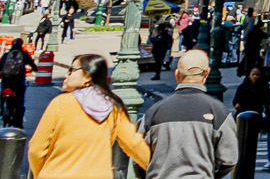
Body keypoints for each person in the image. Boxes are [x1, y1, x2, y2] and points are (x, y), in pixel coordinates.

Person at [28, 51, 152, 179]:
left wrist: (41, 174)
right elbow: (134, 145)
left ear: (88, 76)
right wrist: (159, 171)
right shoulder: (112, 108)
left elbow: (36, 149)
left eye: (72, 70)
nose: (66, 75)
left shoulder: (61, 103)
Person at [140, 50, 240, 179]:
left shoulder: (154, 112)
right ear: (207, 73)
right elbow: (229, 159)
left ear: (177, 74)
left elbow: (139, 157)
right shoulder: (218, 111)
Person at [0, 37, 29, 128]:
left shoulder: (6, 55)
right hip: (19, 82)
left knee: (3, 96)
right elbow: (34, 66)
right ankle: (19, 122)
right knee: (20, 102)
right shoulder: (24, 54)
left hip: (6, 82)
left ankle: (2, 110)